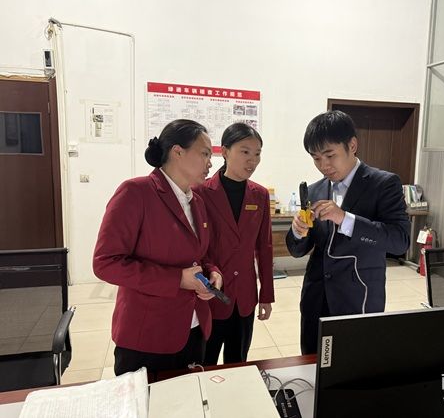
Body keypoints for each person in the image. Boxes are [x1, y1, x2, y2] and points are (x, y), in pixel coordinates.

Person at [93, 119, 223, 376]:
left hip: (194, 327)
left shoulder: (196, 202)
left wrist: (213, 272)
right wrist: (177, 279)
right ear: (177, 152)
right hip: (148, 335)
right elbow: (105, 263)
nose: (210, 163)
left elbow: (200, 255)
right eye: (205, 153)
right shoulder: (135, 192)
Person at [286, 110, 410, 355]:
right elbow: (297, 249)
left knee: (356, 362)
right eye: (316, 158)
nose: (324, 165)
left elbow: (399, 241)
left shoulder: (383, 184)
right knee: (312, 363)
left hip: (359, 296)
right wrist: (297, 232)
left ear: (352, 145)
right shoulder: (315, 190)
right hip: (316, 297)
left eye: (330, 155)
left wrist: (345, 219)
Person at [195, 122, 274, 365]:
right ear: (225, 151)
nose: (253, 160)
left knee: (238, 362)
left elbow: (264, 247)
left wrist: (266, 295)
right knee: (205, 361)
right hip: (212, 294)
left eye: (257, 153)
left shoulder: (260, 195)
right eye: (245, 151)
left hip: (244, 297)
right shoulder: (200, 192)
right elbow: (196, 247)